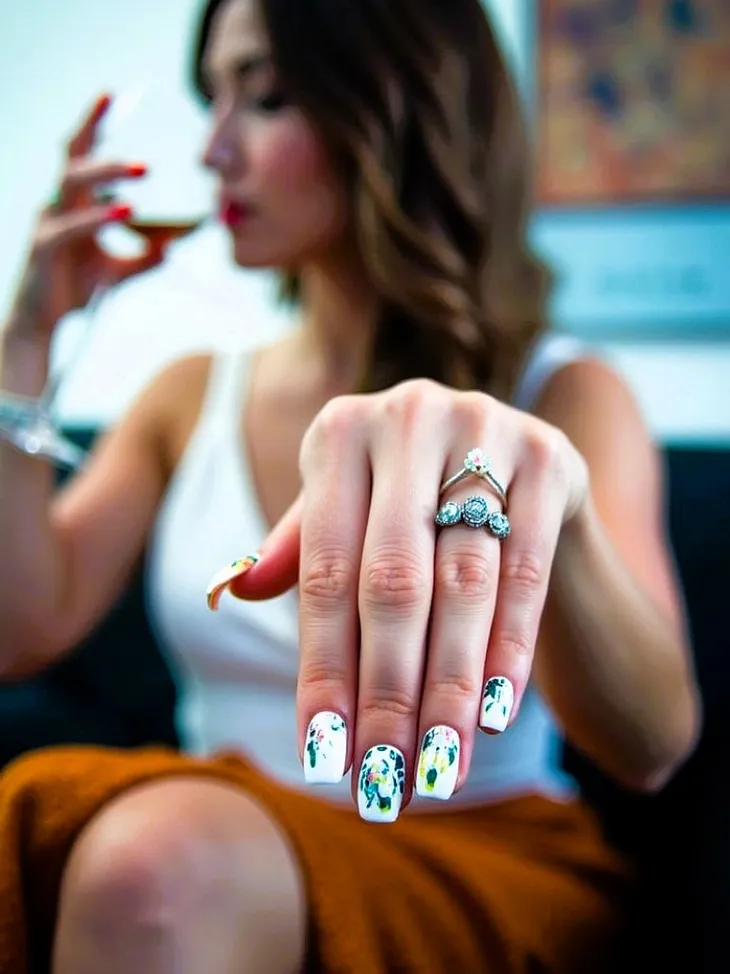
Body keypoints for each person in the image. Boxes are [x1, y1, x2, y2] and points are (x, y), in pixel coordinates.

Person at [0, 0, 700, 972]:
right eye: (216, 99)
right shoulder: (188, 395)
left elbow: (652, 742)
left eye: (267, 97)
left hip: (478, 856)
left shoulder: (562, 395)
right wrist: (27, 331)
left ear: (390, 113)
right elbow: (19, 629)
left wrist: (556, 510)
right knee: (144, 852)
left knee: (147, 866)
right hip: (226, 848)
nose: (213, 150)